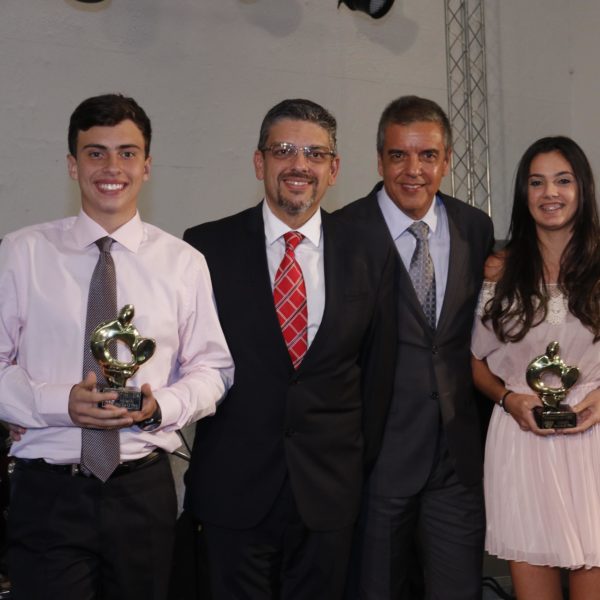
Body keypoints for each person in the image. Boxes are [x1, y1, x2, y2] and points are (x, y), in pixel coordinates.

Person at [0, 93, 234, 600]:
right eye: (96, 153)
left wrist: (160, 407)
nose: (112, 167)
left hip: (142, 493)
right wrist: (58, 403)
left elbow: (213, 368)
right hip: (48, 494)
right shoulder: (21, 254)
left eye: (127, 153)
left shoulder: (183, 262)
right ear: (72, 165)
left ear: (146, 166)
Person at [183, 98, 396, 599]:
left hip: (328, 494)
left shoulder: (371, 251)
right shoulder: (206, 248)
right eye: (283, 150)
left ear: (334, 169)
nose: (299, 165)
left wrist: (350, 467)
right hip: (232, 490)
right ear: (259, 162)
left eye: (315, 154)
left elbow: (378, 376)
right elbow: (188, 360)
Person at [338, 95, 494, 599]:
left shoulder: (475, 228)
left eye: (427, 155)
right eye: (398, 155)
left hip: (457, 462)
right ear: (379, 160)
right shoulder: (342, 232)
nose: (413, 170)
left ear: (446, 160)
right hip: (377, 461)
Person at [471, 136, 600, 600]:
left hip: (594, 441)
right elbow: (474, 362)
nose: (550, 193)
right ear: (523, 193)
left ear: (582, 188)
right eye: (537, 182)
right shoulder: (499, 269)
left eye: (563, 180)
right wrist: (509, 400)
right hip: (521, 442)